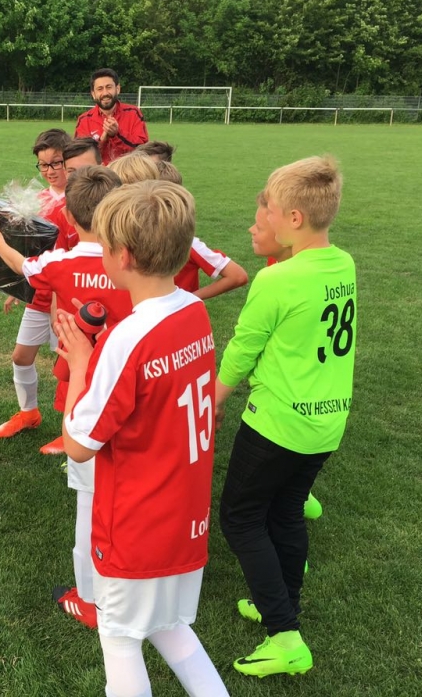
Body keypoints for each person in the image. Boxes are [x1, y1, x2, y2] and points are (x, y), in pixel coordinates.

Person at [57, 180, 228, 697]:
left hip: (138, 523)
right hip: (184, 516)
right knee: (169, 627)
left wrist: (81, 366)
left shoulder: (128, 339)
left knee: (119, 637)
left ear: (123, 256)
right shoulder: (193, 310)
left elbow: (79, 444)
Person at [216, 156, 356, 678]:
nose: (265, 216)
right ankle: (279, 603)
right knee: (287, 511)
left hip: (278, 423)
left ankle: (285, 636)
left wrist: (215, 398)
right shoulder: (343, 263)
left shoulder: (278, 279)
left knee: (240, 517)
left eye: (270, 209)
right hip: (327, 421)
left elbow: (242, 348)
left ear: (294, 218)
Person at [0, 166, 131, 632]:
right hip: (132, 382)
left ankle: (89, 596)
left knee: (89, 498)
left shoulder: (60, 263)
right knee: (124, 484)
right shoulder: (135, 261)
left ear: (69, 215)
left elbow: (24, 267)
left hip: (86, 387)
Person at [0, 128, 72, 443]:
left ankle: (73, 431)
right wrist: (18, 287)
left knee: (70, 365)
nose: (50, 170)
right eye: (43, 164)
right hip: (39, 293)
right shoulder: (37, 200)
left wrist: (58, 301)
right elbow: (30, 251)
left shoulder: (80, 200)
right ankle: (29, 413)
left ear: (69, 160)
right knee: (21, 357)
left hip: (67, 297)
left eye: (56, 163)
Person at [248, 190, 322, 521]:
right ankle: (296, 492)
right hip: (311, 402)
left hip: (291, 402)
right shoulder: (280, 263)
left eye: (262, 224)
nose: (252, 229)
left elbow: (246, 345)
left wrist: (220, 392)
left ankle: (295, 492)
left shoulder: (286, 276)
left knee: (244, 515)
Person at [115, 154, 249, 303]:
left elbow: (238, 276)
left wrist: (191, 298)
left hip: (174, 312)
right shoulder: (125, 237)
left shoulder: (187, 242)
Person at [74, 68, 148, 165]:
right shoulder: (84, 120)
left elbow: (143, 150)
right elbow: (80, 157)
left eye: (109, 87)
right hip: (97, 174)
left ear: (117, 89)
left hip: (128, 173)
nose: (105, 93)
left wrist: (117, 134)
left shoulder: (133, 113)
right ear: (93, 94)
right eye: (100, 89)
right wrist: (102, 141)